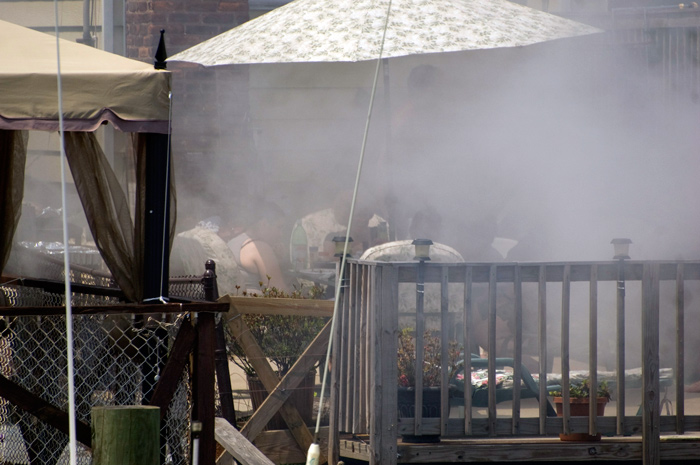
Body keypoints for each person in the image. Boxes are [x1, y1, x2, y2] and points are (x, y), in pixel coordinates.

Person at [290, 190, 389, 267]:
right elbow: (332, 260)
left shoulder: (377, 234)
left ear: (370, 216)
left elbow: (390, 256)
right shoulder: (334, 238)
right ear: (347, 217)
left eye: (364, 215)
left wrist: (381, 248)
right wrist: (353, 251)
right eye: (357, 215)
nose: (361, 220)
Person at [221, 201, 291, 293]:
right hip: (253, 305)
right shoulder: (259, 248)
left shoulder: (234, 242)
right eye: (279, 227)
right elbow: (280, 292)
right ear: (264, 223)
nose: (280, 234)